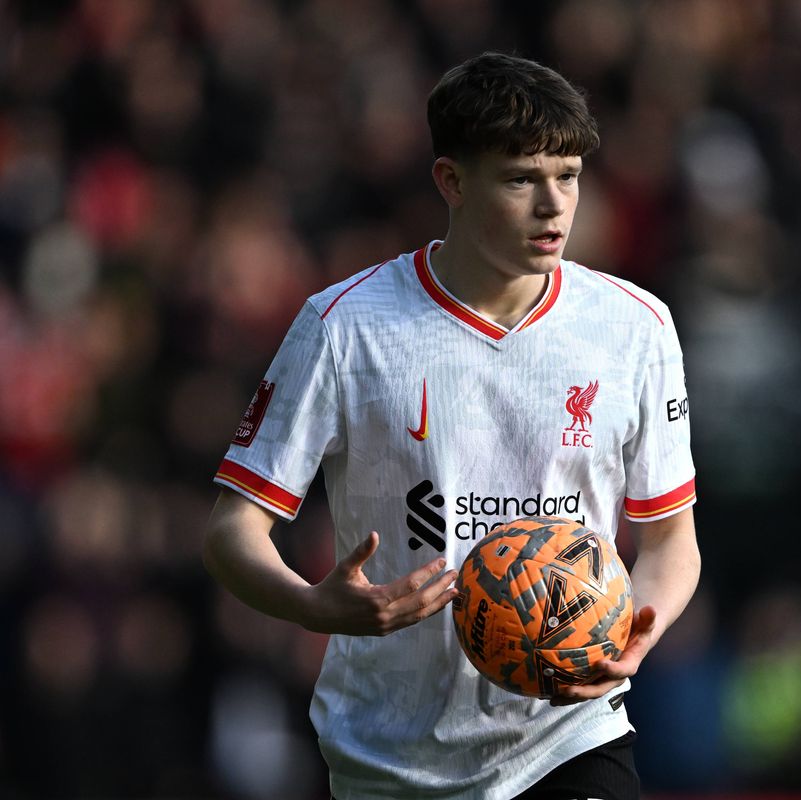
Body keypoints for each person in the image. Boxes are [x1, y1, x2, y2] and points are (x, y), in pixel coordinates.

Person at [202, 51, 700, 800]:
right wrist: (312, 605)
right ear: (452, 181)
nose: (553, 205)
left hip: (567, 736)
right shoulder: (347, 328)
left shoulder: (635, 327)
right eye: (521, 178)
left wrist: (638, 631)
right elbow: (231, 529)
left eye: (567, 176)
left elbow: (671, 540)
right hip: (392, 758)